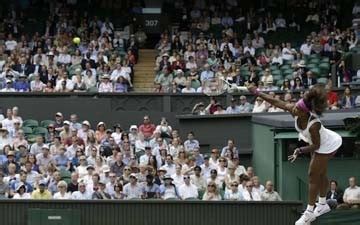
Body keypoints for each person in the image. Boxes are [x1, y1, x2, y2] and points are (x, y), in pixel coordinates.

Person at [247, 83, 342, 225]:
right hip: (316, 142)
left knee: (312, 174)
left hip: (326, 145)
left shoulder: (314, 124)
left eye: (297, 108)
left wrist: (300, 150)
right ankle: (322, 204)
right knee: (320, 173)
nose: (293, 109)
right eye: (295, 106)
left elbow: (316, 146)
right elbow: (276, 101)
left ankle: (309, 213)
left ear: (304, 112)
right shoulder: (295, 110)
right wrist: (258, 92)